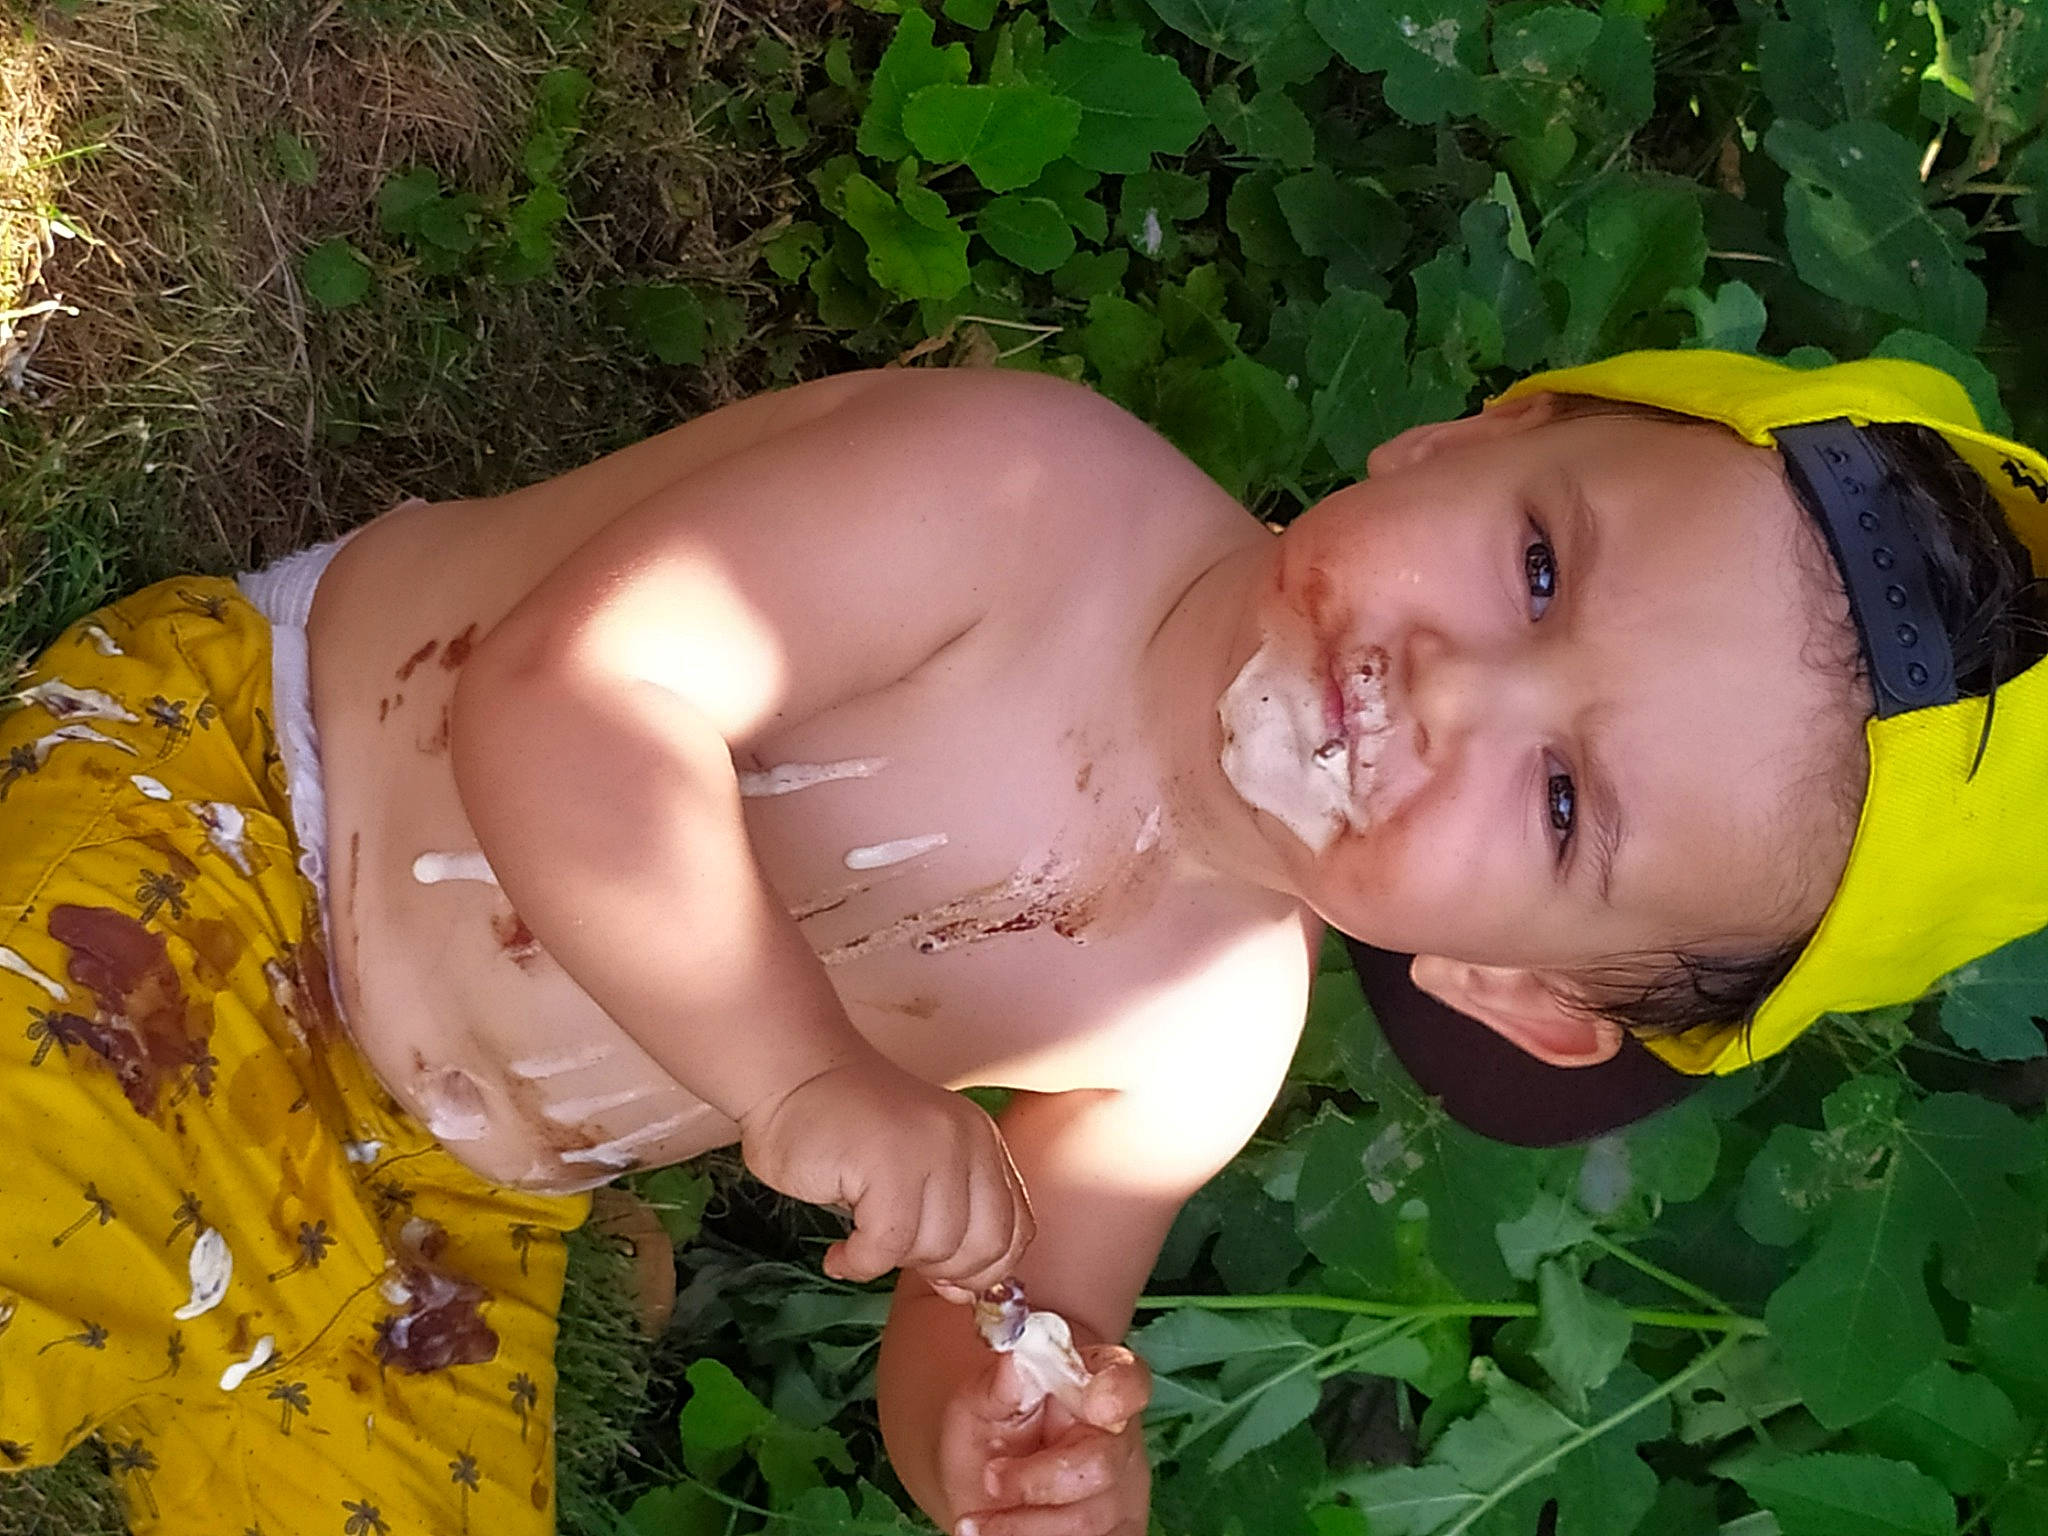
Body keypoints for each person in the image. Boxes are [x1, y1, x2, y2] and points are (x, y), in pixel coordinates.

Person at [0, 348, 2042, 1536]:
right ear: (1464, 437)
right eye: (1531, 566)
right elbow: (567, 693)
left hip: (442, 1191)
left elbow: (984, 1301)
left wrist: (1007, 1429)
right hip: (248, 819)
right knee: (41, 1200)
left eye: (1565, 804)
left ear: (1519, 992)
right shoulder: (1020, 497)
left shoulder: (1204, 1040)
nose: (1450, 691)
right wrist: (801, 1077)